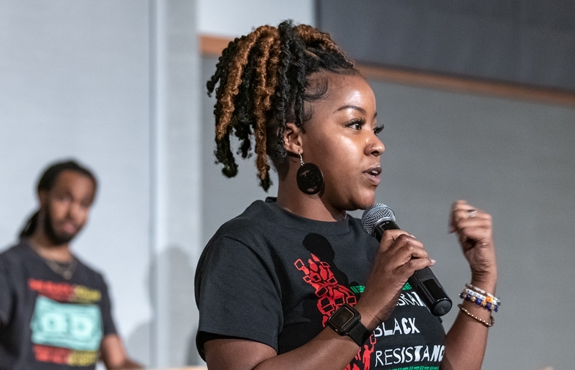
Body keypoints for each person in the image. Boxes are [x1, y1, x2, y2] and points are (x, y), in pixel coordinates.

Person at [194, 21, 497, 370]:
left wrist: (481, 280)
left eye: (375, 128)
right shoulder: (246, 246)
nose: (377, 144)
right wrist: (367, 309)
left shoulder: (376, 244)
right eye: (355, 125)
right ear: (294, 139)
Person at [0, 160, 142, 370]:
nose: (73, 213)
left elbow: (117, 361)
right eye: (64, 198)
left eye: (84, 204)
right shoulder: (5, 268)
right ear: (43, 196)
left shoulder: (94, 281)